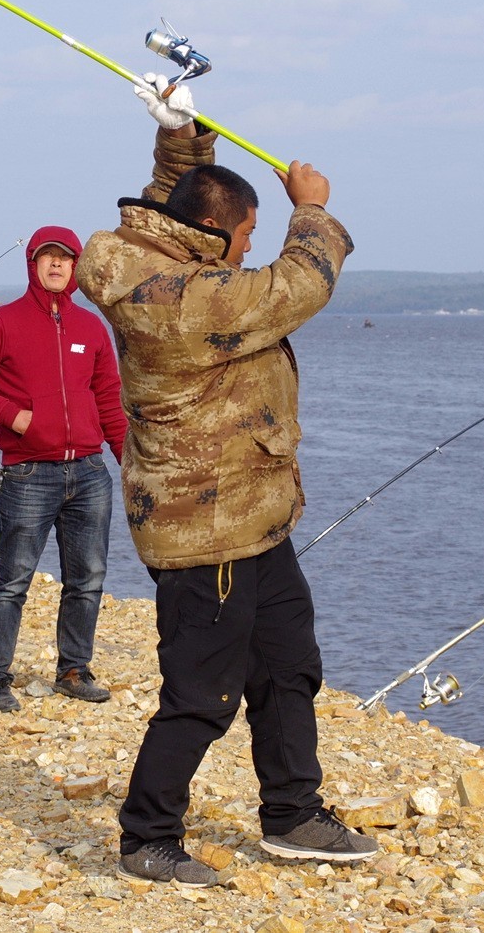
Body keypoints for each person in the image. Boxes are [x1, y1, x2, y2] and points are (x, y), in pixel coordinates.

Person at [75, 72, 375, 884]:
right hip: (201, 525)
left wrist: (182, 138)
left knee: (287, 666)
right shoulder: (182, 299)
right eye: (246, 232)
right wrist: (309, 211)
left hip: (254, 516)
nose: (250, 244)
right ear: (217, 231)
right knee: (203, 693)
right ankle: (147, 837)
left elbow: (177, 208)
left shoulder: (153, 253)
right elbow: (296, 285)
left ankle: (293, 814)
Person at [0, 225, 127, 712]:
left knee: (88, 577)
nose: (55, 265)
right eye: (46, 257)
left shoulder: (91, 328)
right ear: (32, 263)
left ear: (75, 268)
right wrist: (13, 415)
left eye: (65, 259)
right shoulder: (2, 323)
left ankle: (73, 669)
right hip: (29, 474)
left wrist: (126, 459)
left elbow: (109, 398)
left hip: (90, 473)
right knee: (11, 580)